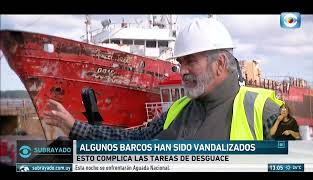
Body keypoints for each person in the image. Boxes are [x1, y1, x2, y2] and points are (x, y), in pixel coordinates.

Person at [42, 18, 284, 140]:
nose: (183, 71)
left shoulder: (267, 111)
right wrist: (74, 127)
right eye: (180, 63)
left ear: (220, 63)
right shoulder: (177, 111)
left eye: (191, 61)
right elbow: (132, 140)